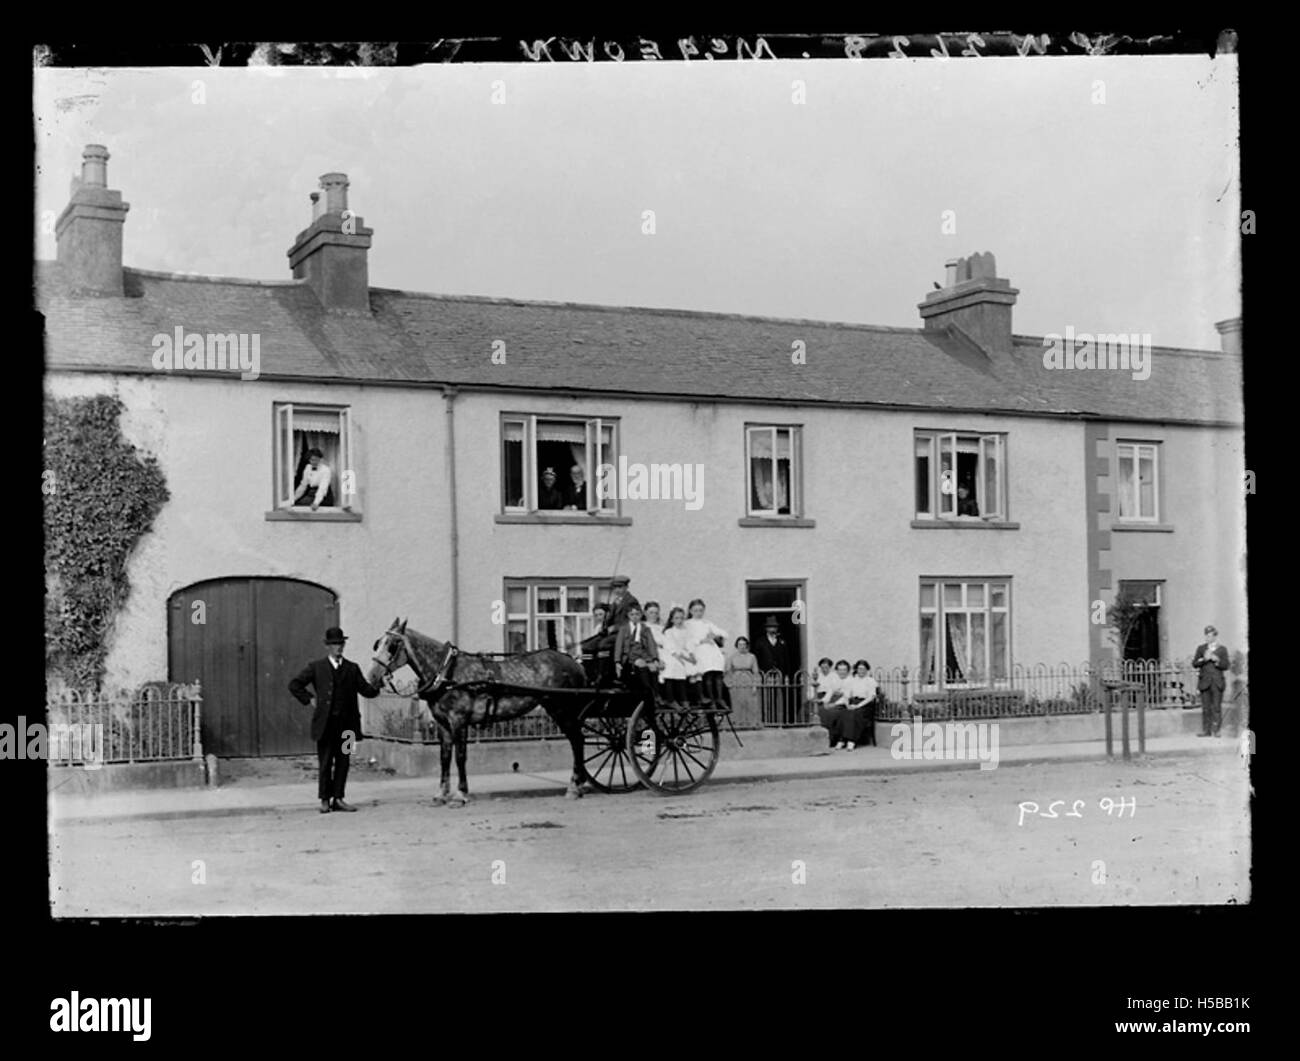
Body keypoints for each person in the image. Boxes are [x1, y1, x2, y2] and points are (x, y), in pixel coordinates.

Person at [287, 626, 381, 813]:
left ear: (344, 645)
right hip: (326, 726)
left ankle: (338, 799)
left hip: (348, 728)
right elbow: (294, 685)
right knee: (326, 762)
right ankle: (324, 799)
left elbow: (366, 691)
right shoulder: (316, 667)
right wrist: (310, 699)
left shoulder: (352, 668)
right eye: (334, 644)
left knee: (344, 762)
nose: (338, 647)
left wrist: (378, 683)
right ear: (327, 646)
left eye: (340, 643)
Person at [595, 576, 640, 685]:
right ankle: (594, 672)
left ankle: (607, 675)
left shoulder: (631, 601)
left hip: (626, 633)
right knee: (589, 645)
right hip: (615, 633)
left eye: (620, 587)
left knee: (604, 644)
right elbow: (611, 618)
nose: (617, 590)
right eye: (615, 588)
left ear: (626, 587)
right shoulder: (616, 601)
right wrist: (605, 626)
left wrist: (614, 627)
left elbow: (632, 620)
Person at [684, 598, 728, 708]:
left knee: (717, 673)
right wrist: (700, 640)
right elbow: (687, 639)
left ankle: (719, 698)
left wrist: (715, 636)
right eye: (696, 610)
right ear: (690, 611)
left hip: (711, 648)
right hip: (698, 649)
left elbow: (723, 633)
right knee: (708, 673)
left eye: (701, 610)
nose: (698, 613)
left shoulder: (707, 623)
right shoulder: (687, 624)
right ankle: (711, 699)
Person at [753, 615, 795, 723]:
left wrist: (786, 675)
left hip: (779, 674)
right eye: (770, 627)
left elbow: (787, 659)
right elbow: (756, 659)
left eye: (774, 627)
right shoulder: (760, 642)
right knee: (767, 697)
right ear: (766, 628)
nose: (772, 629)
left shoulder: (782, 641)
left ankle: (779, 721)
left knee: (779, 698)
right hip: (766, 674)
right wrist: (759, 674)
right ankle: (767, 720)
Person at [1193, 625, 1230, 737]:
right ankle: (1206, 730)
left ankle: (1216, 730)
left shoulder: (1222, 649)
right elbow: (1194, 663)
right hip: (1205, 682)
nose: (1208, 638)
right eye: (1206, 635)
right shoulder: (1201, 648)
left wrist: (1217, 660)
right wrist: (1204, 659)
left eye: (1210, 635)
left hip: (1217, 682)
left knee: (1216, 707)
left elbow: (1226, 665)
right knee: (1205, 708)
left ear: (1215, 636)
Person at [659, 606, 698, 708]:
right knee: (674, 666)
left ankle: (685, 699)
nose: (679, 621)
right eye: (676, 618)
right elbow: (670, 647)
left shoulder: (686, 631)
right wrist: (680, 658)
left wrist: (691, 655)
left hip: (683, 653)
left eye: (681, 618)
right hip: (671, 654)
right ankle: (670, 699)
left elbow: (689, 644)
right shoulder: (669, 632)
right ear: (672, 619)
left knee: (694, 667)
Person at [841, 659, 878, 749]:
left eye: (863, 669)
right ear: (856, 669)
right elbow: (846, 695)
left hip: (865, 704)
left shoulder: (870, 681)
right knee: (845, 712)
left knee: (855, 714)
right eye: (859, 669)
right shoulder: (852, 680)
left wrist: (858, 705)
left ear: (867, 670)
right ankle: (842, 739)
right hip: (853, 702)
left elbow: (871, 697)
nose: (861, 671)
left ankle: (851, 740)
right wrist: (847, 705)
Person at [725, 637, 760, 725]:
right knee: (737, 702)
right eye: (740, 644)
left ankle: (750, 723)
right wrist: (730, 684)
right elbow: (728, 671)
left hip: (748, 680)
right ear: (736, 646)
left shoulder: (752, 657)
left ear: (747, 645)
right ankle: (737, 722)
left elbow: (756, 672)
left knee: (750, 702)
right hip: (736, 681)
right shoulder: (732, 657)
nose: (742, 646)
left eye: (744, 644)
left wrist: (755, 685)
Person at [818, 660, 852, 749]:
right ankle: (822, 739)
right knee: (821, 710)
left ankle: (832, 739)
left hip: (843, 704)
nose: (842, 672)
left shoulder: (850, 681)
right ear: (836, 671)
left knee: (831, 713)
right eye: (840, 670)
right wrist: (825, 702)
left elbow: (846, 697)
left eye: (844, 670)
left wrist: (834, 704)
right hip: (832, 701)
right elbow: (830, 692)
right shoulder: (834, 680)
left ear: (848, 671)